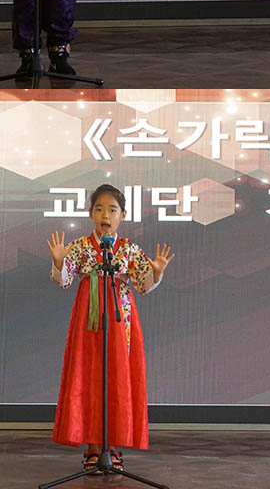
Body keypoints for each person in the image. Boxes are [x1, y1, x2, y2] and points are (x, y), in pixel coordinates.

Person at [47, 184, 175, 473]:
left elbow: (142, 285)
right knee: (89, 376)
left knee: (118, 377)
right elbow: (64, 280)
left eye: (112, 210)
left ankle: (114, 445)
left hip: (120, 319)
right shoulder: (79, 246)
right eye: (99, 209)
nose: (105, 215)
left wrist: (156, 273)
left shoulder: (129, 249)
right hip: (87, 318)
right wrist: (59, 262)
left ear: (122, 215)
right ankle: (93, 446)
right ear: (91, 213)